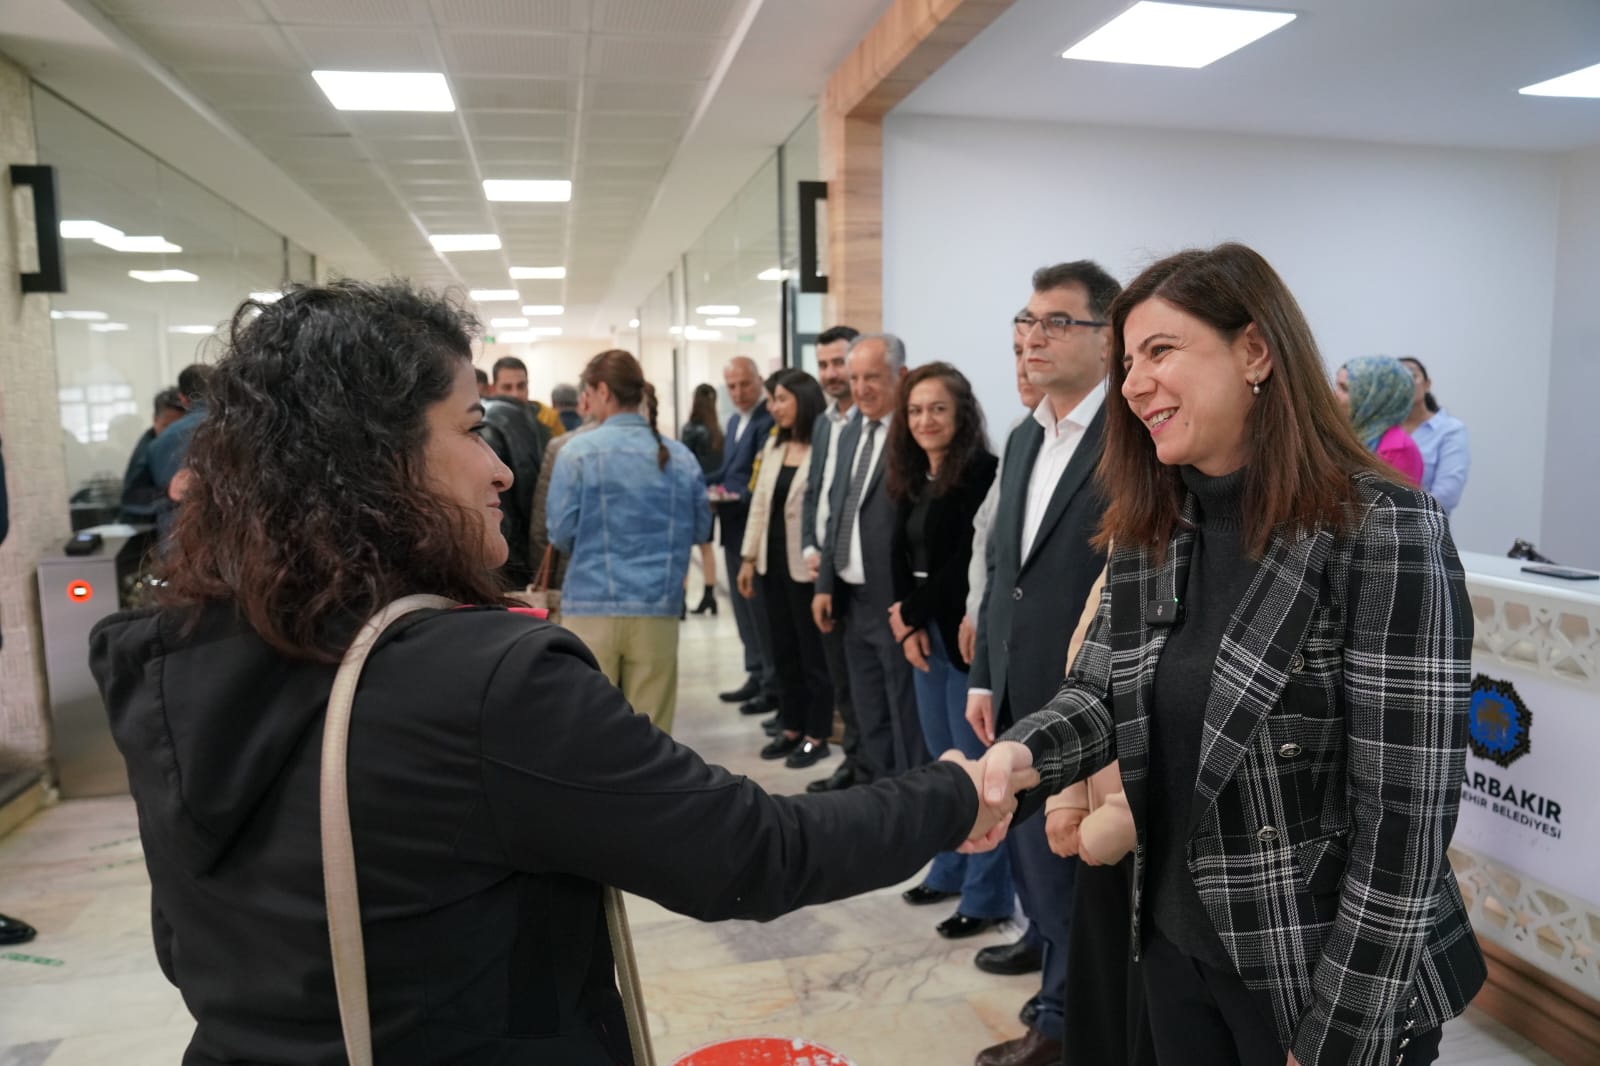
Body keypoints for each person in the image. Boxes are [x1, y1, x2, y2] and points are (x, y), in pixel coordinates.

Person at [86, 280, 1022, 1065]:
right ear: (378, 461)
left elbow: (187, 941)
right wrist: (952, 792)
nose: (501, 469)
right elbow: (750, 852)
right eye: (468, 428)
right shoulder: (482, 681)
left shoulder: (170, 651)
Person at [975, 243, 1486, 1066]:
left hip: (1315, 975)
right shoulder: (1159, 520)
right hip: (1177, 949)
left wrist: (1338, 1035)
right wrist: (1017, 759)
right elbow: (1100, 693)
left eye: (1162, 351)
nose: (1135, 382)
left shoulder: (1381, 529)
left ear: (1255, 351)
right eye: (1127, 359)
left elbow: (1406, 821)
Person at [967, 261, 1122, 1066]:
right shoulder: (1029, 435)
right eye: (1026, 321)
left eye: (1057, 321)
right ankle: (1060, 1008)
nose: (1033, 337)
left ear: (1108, 338)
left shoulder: (1130, 438)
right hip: (1021, 696)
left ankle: (1068, 1028)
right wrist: (986, 677)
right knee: (1035, 868)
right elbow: (1006, 572)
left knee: (1081, 879)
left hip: (1094, 707)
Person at [884, 363, 1010, 940]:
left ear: (961, 414)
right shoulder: (912, 475)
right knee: (940, 760)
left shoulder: (982, 472)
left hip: (963, 635)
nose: (925, 420)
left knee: (976, 769)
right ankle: (949, 866)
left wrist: (908, 613)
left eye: (937, 408)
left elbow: (962, 562)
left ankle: (986, 896)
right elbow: (896, 556)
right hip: (924, 637)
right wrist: (908, 624)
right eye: (914, 410)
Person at [546, 351, 709, 733]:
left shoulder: (576, 453)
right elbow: (701, 529)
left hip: (590, 608)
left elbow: (561, 533)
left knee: (590, 727)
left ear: (602, 390)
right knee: (652, 733)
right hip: (658, 608)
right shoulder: (680, 457)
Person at [814, 334, 924, 780]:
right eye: (855, 378)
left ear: (900, 376)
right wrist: (825, 581)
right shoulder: (851, 432)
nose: (860, 389)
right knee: (868, 711)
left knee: (906, 719)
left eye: (872, 378)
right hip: (851, 601)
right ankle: (879, 807)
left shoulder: (915, 432)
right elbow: (837, 511)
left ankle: (913, 810)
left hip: (895, 603)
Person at [736, 370, 833, 769]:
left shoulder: (823, 448)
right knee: (783, 649)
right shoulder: (774, 446)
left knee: (813, 656)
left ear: (803, 400)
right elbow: (760, 505)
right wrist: (747, 559)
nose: (773, 407)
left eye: (781, 399)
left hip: (806, 569)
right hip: (770, 565)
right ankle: (791, 725)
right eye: (773, 400)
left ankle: (817, 733)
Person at [799, 324, 862, 793]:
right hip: (822, 567)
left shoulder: (874, 420)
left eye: (839, 362)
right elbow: (815, 492)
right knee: (841, 676)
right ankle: (855, 761)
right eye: (823, 364)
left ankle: (871, 768)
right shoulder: (824, 423)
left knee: (864, 683)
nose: (831, 373)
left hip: (857, 570)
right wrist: (808, 546)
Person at [709, 357, 777, 714]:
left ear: (759, 381)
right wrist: (705, 486)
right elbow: (728, 471)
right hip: (732, 529)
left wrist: (724, 495)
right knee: (743, 612)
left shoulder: (769, 421)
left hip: (754, 533)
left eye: (744, 385)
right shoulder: (735, 421)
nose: (738, 393)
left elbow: (758, 482)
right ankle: (755, 673)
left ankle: (770, 683)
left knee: (760, 612)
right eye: (731, 386)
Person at [480, 389, 550, 587]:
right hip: (513, 546)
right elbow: (529, 493)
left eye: (521, 385)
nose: (517, 392)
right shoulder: (519, 420)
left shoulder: (492, 418)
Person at [1335, 355, 1423, 486]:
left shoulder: (1398, 450)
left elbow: (1397, 503)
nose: (1333, 394)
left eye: (1344, 388)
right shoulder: (1347, 434)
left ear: (1375, 397)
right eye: (1336, 385)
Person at [1398, 357, 1470, 514]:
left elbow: (1447, 495)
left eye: (1412, 375)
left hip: (1427, 529)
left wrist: (1398, 514)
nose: (1406, 382)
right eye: (1399, 377)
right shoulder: (1384, 430)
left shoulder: (1450, 430)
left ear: (1427, 384)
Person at [681, 382, 726, 617]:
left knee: (686, 546)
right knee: (706, 546)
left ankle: (682, 599)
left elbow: (684, 464)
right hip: (713, 495)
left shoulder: (690, 429)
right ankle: (710, 596)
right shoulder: (718, 431)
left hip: (692, 494)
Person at [119, 387, 187, 523]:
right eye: (167, 427)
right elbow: (131, 498)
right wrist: (168, 494)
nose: (172, 435)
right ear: (155, 420)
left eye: (180, 428)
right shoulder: (149, 447)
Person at [491, 355, 565, 439]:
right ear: (494, 389)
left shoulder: (548, 418)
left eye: (521, 386)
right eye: (507, 387)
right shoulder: (485, 424)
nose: (515, 394)